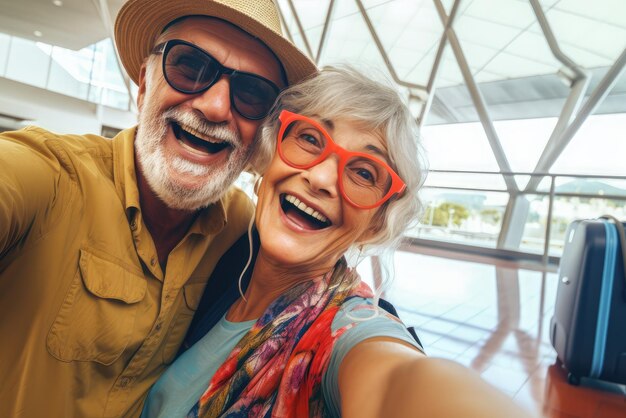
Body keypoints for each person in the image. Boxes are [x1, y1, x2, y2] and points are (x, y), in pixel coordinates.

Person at [141, 67, 532, 418]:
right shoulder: (223, 258)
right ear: (271, 154)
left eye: (364, 172)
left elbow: (401, 381)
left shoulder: (347, 332)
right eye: (310, 138)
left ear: (376, 223)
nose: (322, 178)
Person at [0, 0, 315, 417]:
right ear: (145, 82)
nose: (215, 107)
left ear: (262, 134)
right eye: (190, 67)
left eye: (252, 94)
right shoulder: (53, 177)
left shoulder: (242, 228)